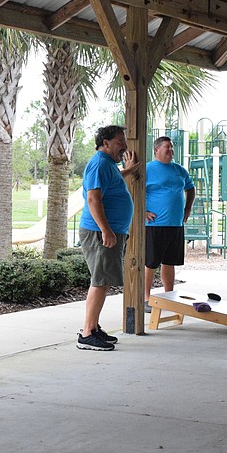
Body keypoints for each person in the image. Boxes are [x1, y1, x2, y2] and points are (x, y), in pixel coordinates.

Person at [77, 125, 140, 351]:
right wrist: (105, 230)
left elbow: (109, 183)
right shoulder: (100, 163)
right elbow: (94, 199)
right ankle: (86, 333)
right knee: (100, 281)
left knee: (104, 281)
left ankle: (93, 328)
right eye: (119, 141)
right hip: (99, 232)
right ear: (105, 143)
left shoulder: (109, 165)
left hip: (109, 230)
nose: (124, 145)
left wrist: (128, 171)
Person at [144, 136, 195, 312]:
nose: (170, 151)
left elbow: (190, 188)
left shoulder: (179, 170)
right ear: (156, 149)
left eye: (172, 148)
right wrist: (142, 211)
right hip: (154, 224)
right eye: (167, 147)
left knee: (170, 261)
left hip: (175, 224)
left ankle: (169, 296)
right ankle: (146, 298)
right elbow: (133, 190)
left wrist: (187, 208)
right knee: (150, 262)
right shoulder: (147, 169)